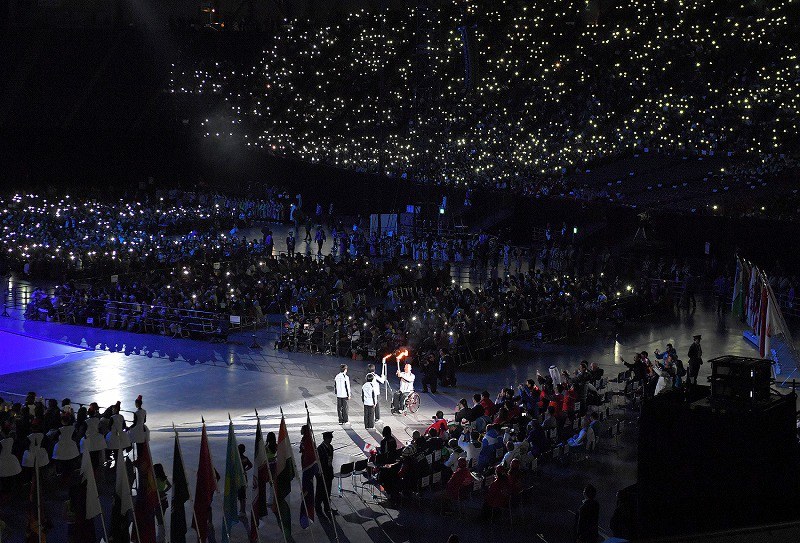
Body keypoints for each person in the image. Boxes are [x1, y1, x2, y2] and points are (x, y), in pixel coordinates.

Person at [315, 431, 335, 517]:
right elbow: (318, 462)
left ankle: (327, 507)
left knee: (328, 491)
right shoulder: (320, 449)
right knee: (320, 491)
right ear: (325, 439)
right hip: (322, 473)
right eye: (329, 438)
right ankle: (318, 507)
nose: (330, 440)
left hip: (329, 472)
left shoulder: (330, 447)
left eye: (331, 438)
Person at [238, 444, 253, 515]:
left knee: (241, 495)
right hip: (244, 477)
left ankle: (242, 510)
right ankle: (242, 509)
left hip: (238, 478)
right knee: (242, 494)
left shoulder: (236, 459)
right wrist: (245, 470)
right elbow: (250, 465)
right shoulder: (245, 458)